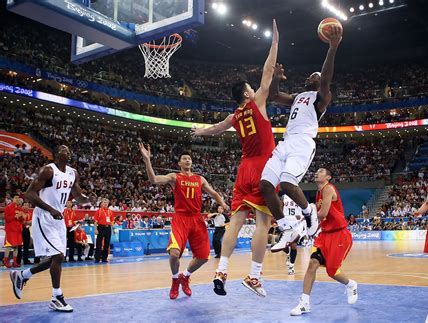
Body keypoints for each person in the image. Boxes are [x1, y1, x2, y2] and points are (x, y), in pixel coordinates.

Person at [192, 20, 280, 297]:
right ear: (246, 93)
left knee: (236, 223)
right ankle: (254, 276)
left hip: (244, 169)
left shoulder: (234, 116)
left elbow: (216, 129)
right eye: (250, 88)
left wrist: (199, 131)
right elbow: (268, 71)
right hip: (264, 169)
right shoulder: (258, 104)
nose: (255, 89)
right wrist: (275, 42)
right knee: (263, 224)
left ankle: (222, 270)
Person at [259, 25, 343, 253]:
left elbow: (325, 78)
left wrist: (332, 48)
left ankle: (309, 213)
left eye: (313, 76)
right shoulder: (298, 96)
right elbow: (274, 96)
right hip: (286, 142)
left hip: (303, 142)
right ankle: (287, 228)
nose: (310, 77)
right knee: (266, 185)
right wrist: (276, 78)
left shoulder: (321, 97)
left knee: (287, 184)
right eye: (310, 75)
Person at [10, 145, 94, 312]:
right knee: (58, 255)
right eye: (63, 149)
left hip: (58, 218)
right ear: (56, 154)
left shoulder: (72, 173)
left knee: (57, 258)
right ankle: (57, 297)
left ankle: (22, 275)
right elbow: (30, 194)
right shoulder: (48, 170)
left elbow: (77, 196)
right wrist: (50, 209)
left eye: (68, 150)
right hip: (44, 216)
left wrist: (87, 199)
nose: (67, 151)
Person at [139, 144, 228, 300]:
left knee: (203, 257)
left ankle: (185, 277)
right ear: (179, 163)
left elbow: (213, 193)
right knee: (174, 254)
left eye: (189, 159)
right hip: (180, 218)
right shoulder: (174, 177)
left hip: (196, 218)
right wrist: (147, 160)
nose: (187, 160)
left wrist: (222, 202)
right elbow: (153, 180)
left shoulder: (200, 179)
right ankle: (175, 280)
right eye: (184, 159)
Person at [291, 168, 357, 316]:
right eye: (317, 171)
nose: (317, 172)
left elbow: (323, 213)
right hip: (325, 235)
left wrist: (306, 216)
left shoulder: (328, 189)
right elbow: (320, 219)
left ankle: (350, 284)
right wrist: (309, 224)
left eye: (320, 171)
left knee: (331, 271)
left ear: (328, 177)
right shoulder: (318, 194)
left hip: (340, 235)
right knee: (312, 264)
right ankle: (304, 303)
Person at [281, 194, 307, 275]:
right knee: (281, 245)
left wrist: (304, 217)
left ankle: (291, 267)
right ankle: (288, 254)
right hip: (287, 222)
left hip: (297, 222)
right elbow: (280, 208)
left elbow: (305, 208)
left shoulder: (300, 195)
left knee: (293, 245)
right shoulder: (284, 197)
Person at [3, 195, 24, 268]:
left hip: (18, 230)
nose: (17, 199)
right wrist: (14, 217)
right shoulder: (8, 207)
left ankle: (15, 262)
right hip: (10, 230)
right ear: (13, 199)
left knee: (17, 246)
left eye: (18, 198)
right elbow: (6, 218)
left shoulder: (20, 209)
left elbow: (21, 221)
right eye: (15, 198)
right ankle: (5, 261)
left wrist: (21, 217)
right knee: (8, 245)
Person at [94, 198, 113, 263]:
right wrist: (95, 229)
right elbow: (95, 221)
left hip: (108, 228)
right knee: (99, 243)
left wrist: (113, 228)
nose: (105, 204)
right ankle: (97, 258)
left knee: (107, 243)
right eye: (104, 202)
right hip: (101, 227)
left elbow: (112, 221)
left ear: (108, 204)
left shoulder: (110, 211)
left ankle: (104, 258)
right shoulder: (98, 211)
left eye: (107, 202)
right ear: (101, 203)